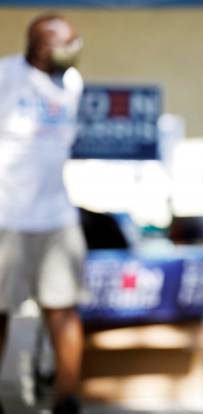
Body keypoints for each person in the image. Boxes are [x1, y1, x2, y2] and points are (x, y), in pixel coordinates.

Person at [0, 14, 85, 414]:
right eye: (67, 41)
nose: (75, 47)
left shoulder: (72, 83)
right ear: (41, 46)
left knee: (64, 310)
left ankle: (67, 399)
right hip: (6, 219)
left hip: (57, 217)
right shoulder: (5, 75)